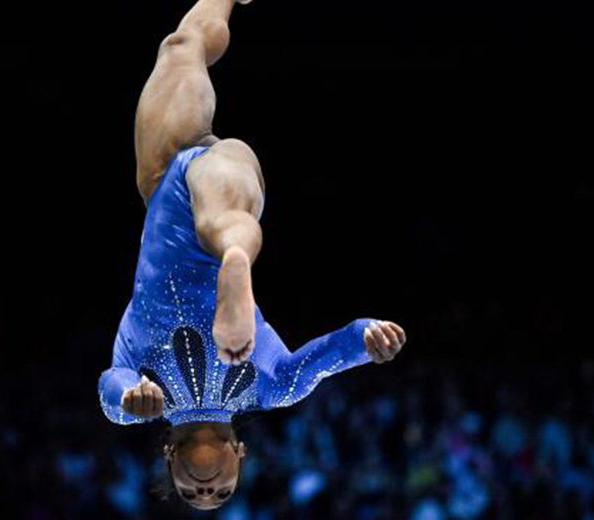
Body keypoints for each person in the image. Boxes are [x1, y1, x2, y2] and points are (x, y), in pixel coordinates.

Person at [98, 0, 408, 510]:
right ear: (239, 454)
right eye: (221, 490)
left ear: (169, 460)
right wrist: (370, 338)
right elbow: (335, 351)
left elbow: (112, 389)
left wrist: (132, 401)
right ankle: (236, 260)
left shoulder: (141, 397)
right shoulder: (271, 388)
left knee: (181, 46)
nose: (206, 487)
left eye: (192, 491)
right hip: (215, 201)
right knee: (224, 224)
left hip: (166, 188)